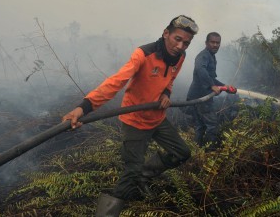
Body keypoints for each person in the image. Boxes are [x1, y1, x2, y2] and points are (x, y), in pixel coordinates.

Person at [62, 15, 199, 217]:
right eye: (177, 39)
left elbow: (170, 79)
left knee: (182, 152)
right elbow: (116, 82)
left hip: (157, 119)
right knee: (130, 172)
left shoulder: (180, 57)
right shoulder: (143, 54)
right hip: (134, 120)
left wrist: (166, 93)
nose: (180, 46)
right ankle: (107, 214)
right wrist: (83, 107)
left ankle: (145, 175)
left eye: (186, 43)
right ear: (166, 33)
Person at [186, 32, 235, 151]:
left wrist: (224, 86)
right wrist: (212, 86)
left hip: (195, 96)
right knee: (212, 125)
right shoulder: (203, 56)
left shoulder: (210, 56)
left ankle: (197, 153)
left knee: (200, 127)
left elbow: (210, 77)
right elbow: (200, 69)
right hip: (202, 98)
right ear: (206, 43)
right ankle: (210, 154)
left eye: (217, 43)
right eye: (212, 42)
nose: (215, 45)